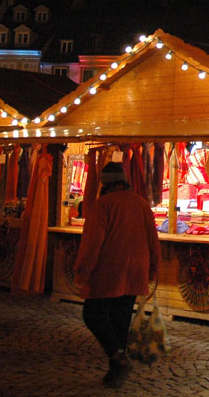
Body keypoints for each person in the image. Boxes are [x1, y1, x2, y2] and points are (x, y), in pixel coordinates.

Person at [74, 163, 160, 388]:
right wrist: (153, 267)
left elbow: (92, 243)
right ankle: (116, 365)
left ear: (104, 184)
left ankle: (117, 358)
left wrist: (83, 271)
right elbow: (153, 238)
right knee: (120, 318)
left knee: (93, 314)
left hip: (110, 269)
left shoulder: (103, 205)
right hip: (136, 270)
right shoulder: (141, 203)